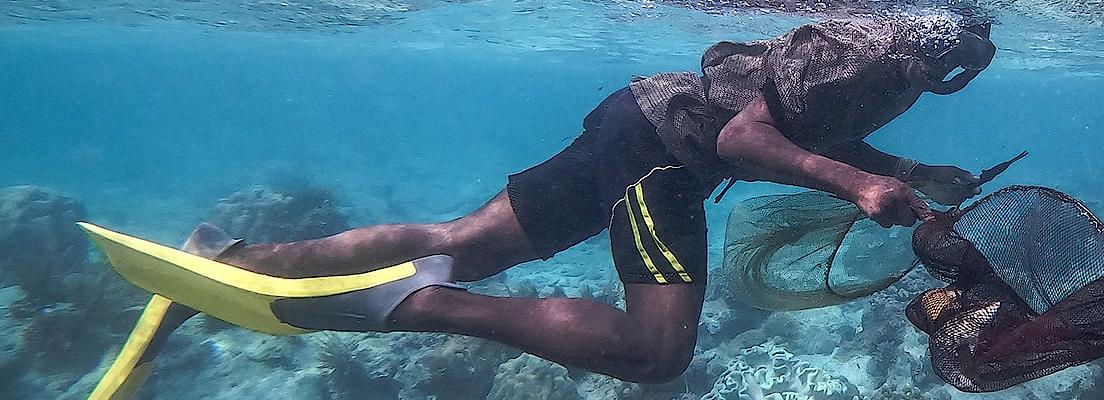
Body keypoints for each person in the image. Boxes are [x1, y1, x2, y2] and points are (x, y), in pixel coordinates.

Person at [176, 16, 996, 384]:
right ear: (936, 39)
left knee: (460, 239)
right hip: (662, 154)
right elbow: (742, 141)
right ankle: (422, 305)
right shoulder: (871, 57)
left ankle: (227, 259)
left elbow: (808, 125)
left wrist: (916, 172)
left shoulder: (892, 63)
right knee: (657, 353)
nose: (963, 75)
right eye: (964, 57)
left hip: (633, 116)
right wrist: (858, 185)